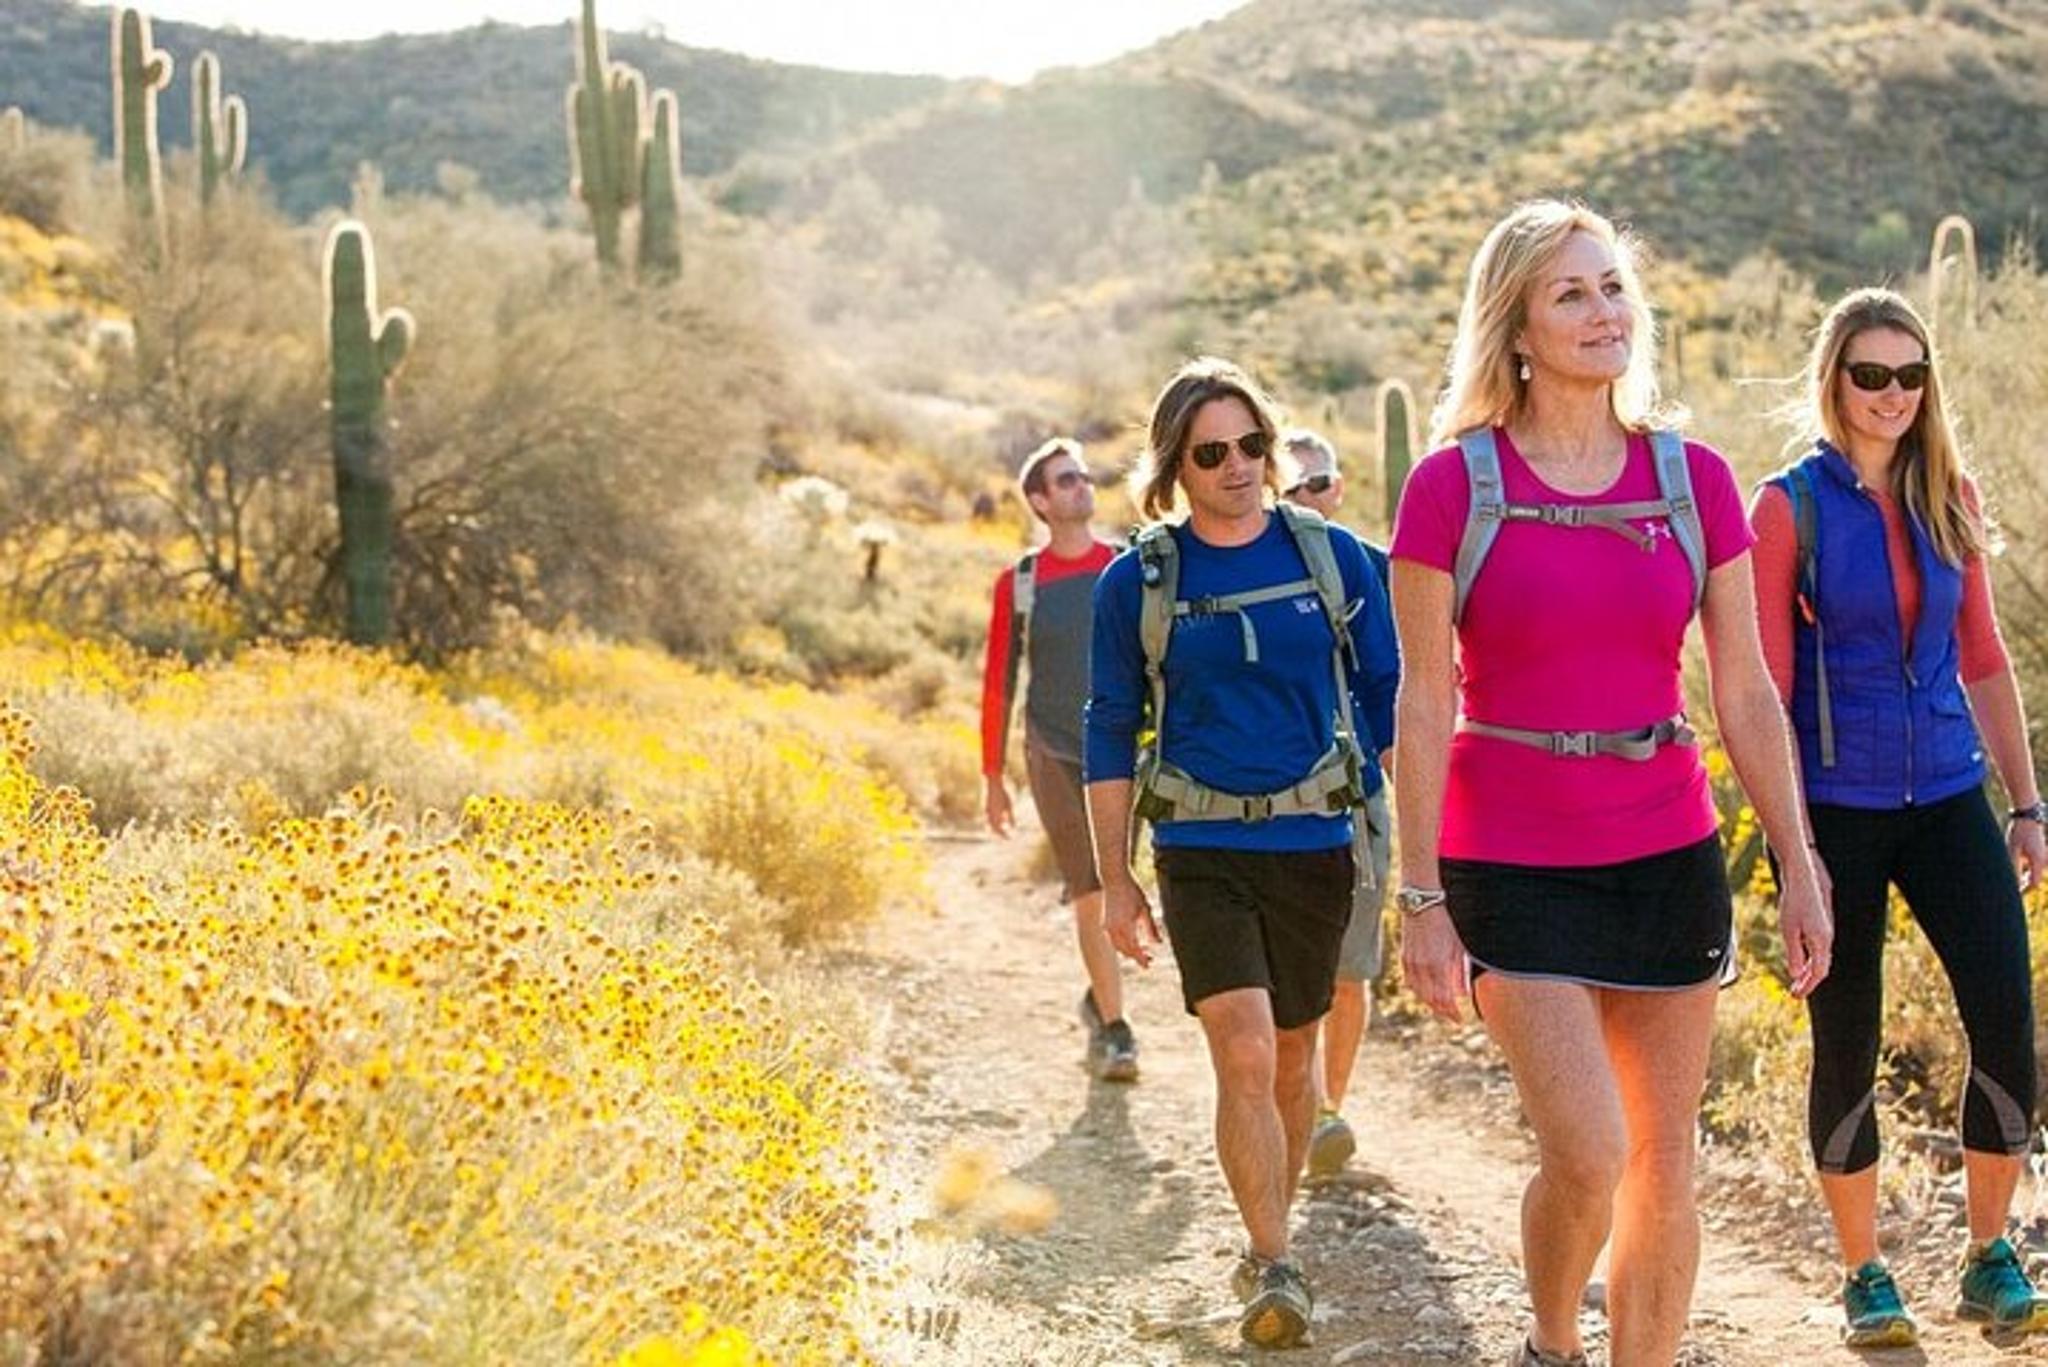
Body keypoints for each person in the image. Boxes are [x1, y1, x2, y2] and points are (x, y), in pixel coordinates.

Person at [1389, 200, 1830, 1367]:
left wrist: (1796, 859)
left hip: (1663, 852)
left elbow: (1742, 691)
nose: (1602, 312)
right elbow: (1422, 698)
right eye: (1570, 294)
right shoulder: (1447, 487)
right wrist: (1416, 892)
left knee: (1663, 1161)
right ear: (1517, 329)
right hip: (1510, 859)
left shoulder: (1693, 480)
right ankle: (1549, 1343)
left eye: (1613, 287)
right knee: (1587, 1150)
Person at [1751, 287, 2048, 1347]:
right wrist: (1793, 856)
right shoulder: (1786, 504)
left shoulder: (1945, 491)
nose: (1889, 394)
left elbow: (1981, 658)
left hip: (1947, 797)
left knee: (2007, 1023)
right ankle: (1863, 1270)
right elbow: (1765, 688)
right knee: (1846, 1036)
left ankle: (1985, 1251)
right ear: (1832, 379)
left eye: (1908, 374)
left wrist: (2023, 804)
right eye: (1868, 373)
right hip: (1837, 808)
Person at [1085, 358, 1399, 1349]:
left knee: (1296, 1056)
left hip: (1315, 841)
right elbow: (1107, 732)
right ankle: (1273, 1258)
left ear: (1271, 443)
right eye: (1209, 452)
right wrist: (1114, 878)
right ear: (1174, 464)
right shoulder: (1134, 582)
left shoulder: (1338, 560)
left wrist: (1391, 825)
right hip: (1199, 844)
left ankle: (1273, 1227)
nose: (1235, 467)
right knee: (1245, 1048)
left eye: (1250, 446)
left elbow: (1390, 693)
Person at [979, 437, 1136, 1082]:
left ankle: (1100, 1003)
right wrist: (992, 777)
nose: (1081, 487)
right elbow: (997, 682)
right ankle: (1119, 1031)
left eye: (1084, 477)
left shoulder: (1124, 568)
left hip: (1123, 751)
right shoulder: (1019, 584)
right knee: (1091, 889)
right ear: (1040, 501)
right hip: (1051, 751)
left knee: (1119, 880)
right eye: (1065, 480)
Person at [1278, 428, 1394, 1179]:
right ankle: (1297, 1104)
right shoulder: (1257, 575)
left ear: (1341, 487)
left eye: (1319, 484)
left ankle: (1327, 1110)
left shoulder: (1376, 568)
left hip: (1361, 793)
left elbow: (1408, 682)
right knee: (1295, 974)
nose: (1309, 498)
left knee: (1350, 968)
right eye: (1294, 489)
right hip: (1276, 796)